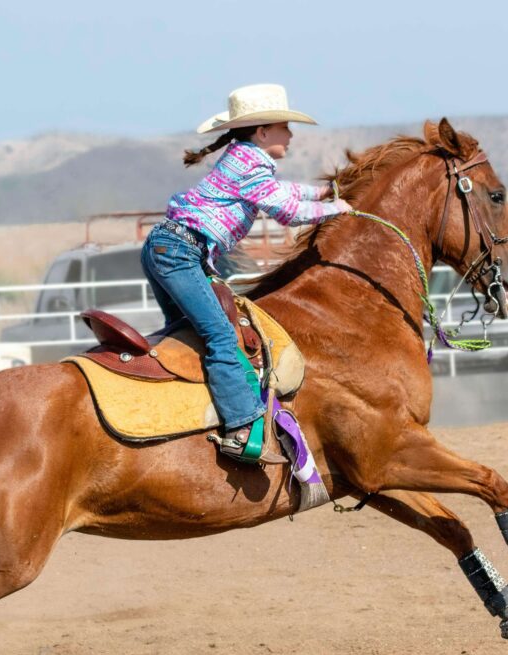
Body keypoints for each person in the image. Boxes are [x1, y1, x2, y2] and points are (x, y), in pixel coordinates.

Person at [141, 83, 352, 463]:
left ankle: (184, 416)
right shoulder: (251, 163)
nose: (291, 135)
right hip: (180, 253)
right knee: (221, 337)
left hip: (169, 247)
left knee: (189, 335)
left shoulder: (245, 160)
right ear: (263, 132)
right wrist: (337, 208)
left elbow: (283, 192)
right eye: (285, 127)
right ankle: (240, 427)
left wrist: (321, 194)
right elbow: (288, 212)